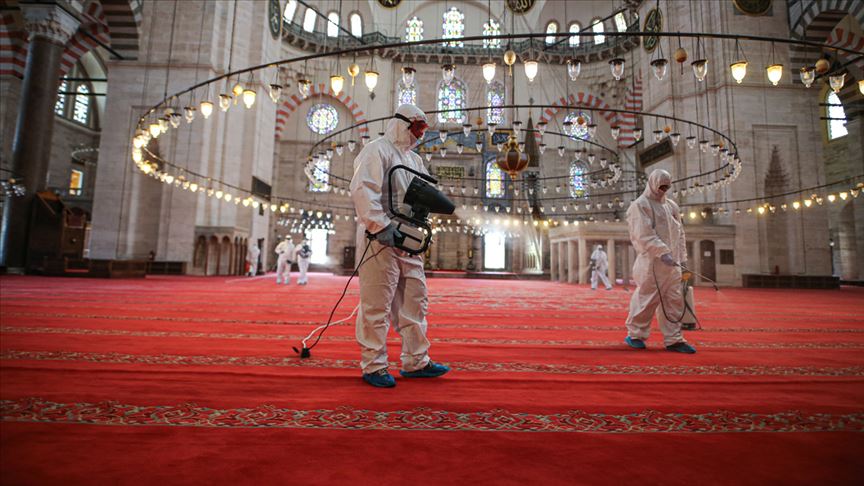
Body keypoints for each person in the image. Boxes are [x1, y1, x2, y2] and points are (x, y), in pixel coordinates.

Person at [349, 103, 450, 388]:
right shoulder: (376, 151)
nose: (419, 135)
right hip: (379, 238)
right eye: (416, 128)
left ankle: (416, 361)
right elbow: (362, 190)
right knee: (377, 303)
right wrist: (380, 226)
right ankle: (374, 365)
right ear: (403, 124)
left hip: (408, 238)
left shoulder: (415, 161)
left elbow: (421, 194)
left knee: (414, 300)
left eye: (422, 130)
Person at [623, 169, 696, 354]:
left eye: (666, 187)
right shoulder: (640, 205)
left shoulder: (671, 206)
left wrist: (682, 259)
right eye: (661, 186)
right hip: (651, 265)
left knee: (674, 300)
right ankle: (635, 335)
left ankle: (674, 339)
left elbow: (680, 234)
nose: (663, 190)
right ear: (653, 183)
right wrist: (662, 251)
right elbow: (643, 234)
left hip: (673, 266)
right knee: (647, 300)